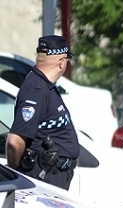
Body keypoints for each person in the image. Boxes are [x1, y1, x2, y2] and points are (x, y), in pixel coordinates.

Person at [6, 35, 80, 190]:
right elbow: (15, 141)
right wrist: (14, 174)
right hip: (45, 177)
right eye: (67, 59)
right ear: (61, 63)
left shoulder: (45, 86)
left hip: (52, 176)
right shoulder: (36, 90)